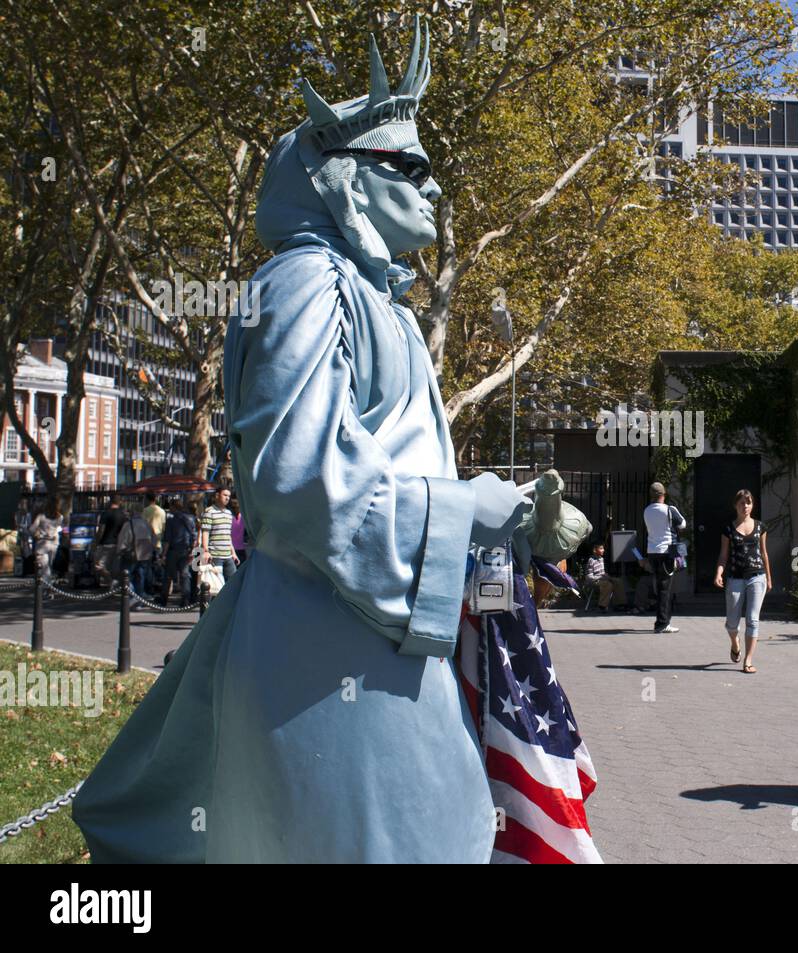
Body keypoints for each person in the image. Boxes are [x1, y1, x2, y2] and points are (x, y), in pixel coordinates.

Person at [73, 16, 543, 864]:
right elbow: (299, 483)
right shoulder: (306, 281)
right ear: (344, 182)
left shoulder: (374, 303)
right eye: (412, 166)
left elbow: (363, 470)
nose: (436, 188)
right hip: (327, 669)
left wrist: (495, 516)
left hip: (367, 649)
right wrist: (469, 510)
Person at [713, 489, 770, 674]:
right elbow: (723, 555)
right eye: (742, 503)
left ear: (752, 505)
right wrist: (718, 573)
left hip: (757, 577)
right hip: (735, 578)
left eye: (749, 502)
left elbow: (764, 553)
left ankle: (748, 660)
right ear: (735, 506)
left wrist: (768, 577)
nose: (745, 506)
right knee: (732, 623)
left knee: (753, 620)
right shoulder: (728, 529)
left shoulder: (760, 527)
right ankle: (735, 644)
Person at [643, 481, 686, 634]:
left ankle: (662, 621)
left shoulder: (647, 511)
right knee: (665, 588)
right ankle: (662, 623)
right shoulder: (669, 509)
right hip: (667, 550)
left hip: (652, 551)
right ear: (663, 494)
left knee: (660, 585)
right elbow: (682, 524)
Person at [160, 497, 198, 608]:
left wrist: (163, 555)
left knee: (168, 576)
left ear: (173, 507)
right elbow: (194, 536)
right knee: (185, 575)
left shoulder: (171, 520)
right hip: (186, 550)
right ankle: (185, 600)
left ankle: (164, 600)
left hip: (173, 550)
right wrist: (192, 549)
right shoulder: (190, 519)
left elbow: (167, 539)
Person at [117, 508, 157, 607]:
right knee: (140, 577)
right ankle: (139, 599)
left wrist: (119, 550)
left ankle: (133, 595)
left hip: (131, 554)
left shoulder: (128, 524)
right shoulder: (146, 524)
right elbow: (154, 538)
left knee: (126, 577)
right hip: (145, 554)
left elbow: (123, 539)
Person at [200, 487, 239, 581]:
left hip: (228, 556)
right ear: (217, 496)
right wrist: (206, 551)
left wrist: (233, 553)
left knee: (233, 583)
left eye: (229, 496)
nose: (227, 498)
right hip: (215, 556)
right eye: (225, 495)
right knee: (216, 586)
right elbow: (205, 532)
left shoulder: (229, 513)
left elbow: (227, 535)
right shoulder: (210, 512)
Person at [585, 542, 625, 612]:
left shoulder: (602, 559)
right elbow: (589, 577)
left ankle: (620, 604)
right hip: (595, 581)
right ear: (595, 550)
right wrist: (600, 577)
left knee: (618, 581)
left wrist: (607, 576)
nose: (603, 550)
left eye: (603, 548)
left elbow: (603, 573)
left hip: (604, 578)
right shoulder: (591, 560)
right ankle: (602, 606)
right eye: (601, 548)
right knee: (607, 584)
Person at [30, 499, 63, 583]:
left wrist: (36, 533)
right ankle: (48, 589)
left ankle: (45, 589)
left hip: (42, 543)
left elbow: (32, 529)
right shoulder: (60, 517)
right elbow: (61, 528)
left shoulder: (41, 516)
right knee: (49, 566)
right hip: (54, 544)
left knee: (44, 568)